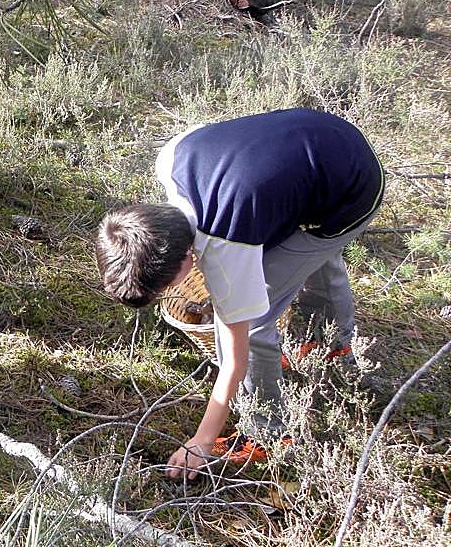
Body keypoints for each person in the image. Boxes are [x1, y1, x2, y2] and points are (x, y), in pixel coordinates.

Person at [95, 108, 385, 477]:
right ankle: (327, 341)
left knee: (262, 315)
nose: (173, 289)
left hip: (354, 191)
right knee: (304, 256)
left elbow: (235, 358)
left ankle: (267, 432)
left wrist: (203, 438)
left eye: (167, 285)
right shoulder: (170, 159)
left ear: (188, 258)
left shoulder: (226, 248)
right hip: (324, 139)